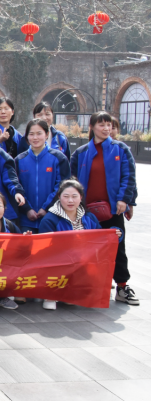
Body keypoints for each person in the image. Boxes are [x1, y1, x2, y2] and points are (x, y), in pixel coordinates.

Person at [70, 112, 138, 305]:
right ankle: (88, 285)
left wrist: (124, 200)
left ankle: (122, 286)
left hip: (113, 210)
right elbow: (72, 180)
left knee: (117, 247)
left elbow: (129, 177)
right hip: (86, 212)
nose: (106, 128)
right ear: (92, 127)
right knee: (86, 248)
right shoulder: (80, 153)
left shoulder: (121, 149)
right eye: (101, 125)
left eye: (109, 125)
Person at [39, 179, 123, 310]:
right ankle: (51, 295)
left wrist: (114, 234)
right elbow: (44, 249)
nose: (70, 200)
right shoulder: (50, 219)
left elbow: (100, 238)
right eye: (66, 196)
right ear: (59, 197)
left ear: (81, 197)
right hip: (59, 262)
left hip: (84, 262)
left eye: (74, 196)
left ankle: (72, 292)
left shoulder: (89, 217)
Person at [15, 119, 71, 234]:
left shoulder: (59, 158)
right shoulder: (19, 160)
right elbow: (16, 187)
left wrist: (46, 208)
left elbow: (62, 186)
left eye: (39, 133)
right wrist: (27, 209)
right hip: (26, 220)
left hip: (52, 218)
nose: (35, 138)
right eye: (31, 134)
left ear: (47, 134)